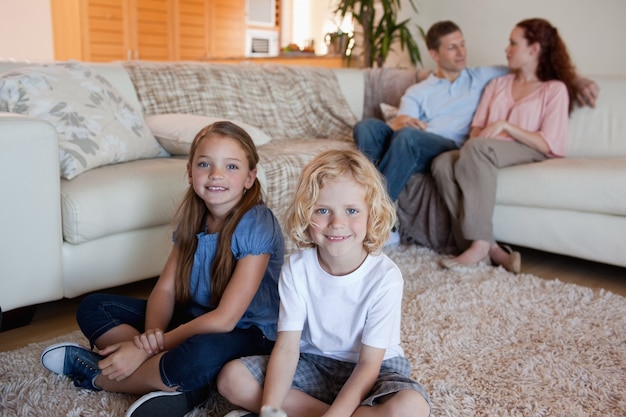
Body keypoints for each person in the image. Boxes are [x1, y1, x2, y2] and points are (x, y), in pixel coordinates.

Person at [40, 121, 285, 417]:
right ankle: (176, 381)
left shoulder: (257, 222)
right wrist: (153, 336)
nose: (216, 174)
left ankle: (100, 376)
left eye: (231, 167)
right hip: (196, 318)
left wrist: (144, 349)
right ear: (190, 172)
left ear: (250, 177)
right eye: (204, 164)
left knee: (199, 354)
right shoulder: (192, 218)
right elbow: (166, 289)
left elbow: (225, 320)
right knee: (94, 306)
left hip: (250, 332)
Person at [216, 149, 432, 417]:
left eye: (352, 210)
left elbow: (368, 365)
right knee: (231, 378)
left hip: (374, 367)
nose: (337, 223)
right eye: (322, 210)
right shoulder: (296, 268)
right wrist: (270, 409)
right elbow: (286, 347)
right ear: (306, 213)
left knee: (412, 408)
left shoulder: (386, 277)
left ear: (371, 214)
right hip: (312, 362)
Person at [353, 20, 599, 204]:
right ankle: (367, 206)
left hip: (450, 145)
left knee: (407, 138)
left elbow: (536, 67)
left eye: (462, 45)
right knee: (366, 127)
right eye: (452, 48)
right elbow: (403, 121)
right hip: (414, 141)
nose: (461, 53)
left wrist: (575, 80)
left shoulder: (484, 76)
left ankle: (374, 216)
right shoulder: (418, 90)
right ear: (434, 55)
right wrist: (403, 121)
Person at [431, 18, 578, 273]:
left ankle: (478, 245)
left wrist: (507, 127)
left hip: (530, 150)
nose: (506, 49)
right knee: (442, 162)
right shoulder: (497, 84)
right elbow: (477, 128)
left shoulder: (553, 89)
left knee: (477, 149)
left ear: (534, 49)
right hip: (486, 150)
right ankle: (492, 248)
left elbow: (550, 142)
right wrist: (479, 139)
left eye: (513, 43)